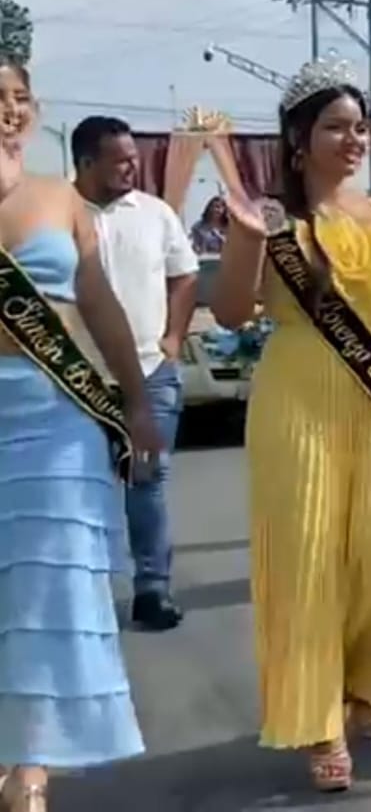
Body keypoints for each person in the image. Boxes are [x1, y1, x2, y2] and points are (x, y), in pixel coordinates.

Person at [212, 57, 371, 791]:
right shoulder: (271, 217)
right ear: (299, 138)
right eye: (335, 127)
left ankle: (360, 684)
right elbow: (230, 312)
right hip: (296, 400)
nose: (354, 139)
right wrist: (247, 239)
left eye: (360, 127)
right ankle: (320, 720)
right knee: (308, 562)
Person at [0, 0, 164, 812]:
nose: (11, 111)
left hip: (53, 416)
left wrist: (136, 400)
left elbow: (99, 305)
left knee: (47, 590)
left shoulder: (60, 201)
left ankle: (29, 765)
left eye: (20, 96)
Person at [70, 114, 198, 633]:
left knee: (146, 479)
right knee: (83, 484)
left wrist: (173, 338)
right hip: (76, 377)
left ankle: (152, 589)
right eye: (119, 160)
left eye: (133, 158)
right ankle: (89, 590)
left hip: (150, 371)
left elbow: (185, 276)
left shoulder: (155, 213)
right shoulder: (57, 213)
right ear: (85, 162)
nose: (131, 167)